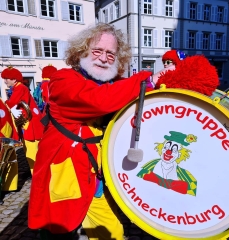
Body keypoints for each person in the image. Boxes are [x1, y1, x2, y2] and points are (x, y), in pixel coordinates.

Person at [28, 23, 159, 240]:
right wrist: (146, 81)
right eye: (97, 50)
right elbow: (99, 100)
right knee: (61, 232)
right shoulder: (64, 79)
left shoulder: (113, 83)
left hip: (96, 176)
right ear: (82, 52)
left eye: (111, 53)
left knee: (112, 233)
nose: (103, 57)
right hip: (66, 174)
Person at [1, 66, 44, 174]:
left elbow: (12, 102)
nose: (5, 81)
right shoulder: (18, 87)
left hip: (30, 124)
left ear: (14, 79)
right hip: (27, 122)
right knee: (30, 150)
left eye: (6, 78)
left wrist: (7, 104)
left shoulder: (20, 88)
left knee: (31, 151)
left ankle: (38, 174)